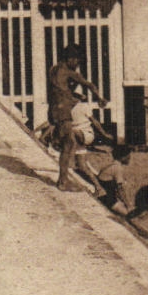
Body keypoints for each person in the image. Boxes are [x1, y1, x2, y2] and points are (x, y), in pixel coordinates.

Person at [46, 44, 107, 191]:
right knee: (68, 145)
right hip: (63, 111)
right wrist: (100, 98)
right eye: (77, 61)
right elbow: (89, 85)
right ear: (71, 59)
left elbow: (59, 90)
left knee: (68, 142)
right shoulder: (68, 71)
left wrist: (74, 96)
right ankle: (63, 182)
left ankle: (63, 178)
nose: (77, 64)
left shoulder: (54, 69)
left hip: (54, 109)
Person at [95, 143, 136, 215]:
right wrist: (128, 205)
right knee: (129, 214)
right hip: (107, 198)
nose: (129, 158)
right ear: (122, 157)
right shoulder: (117, 168)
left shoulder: (111, 165)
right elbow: (120, 189)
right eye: (128, 156)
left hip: (105, 195)